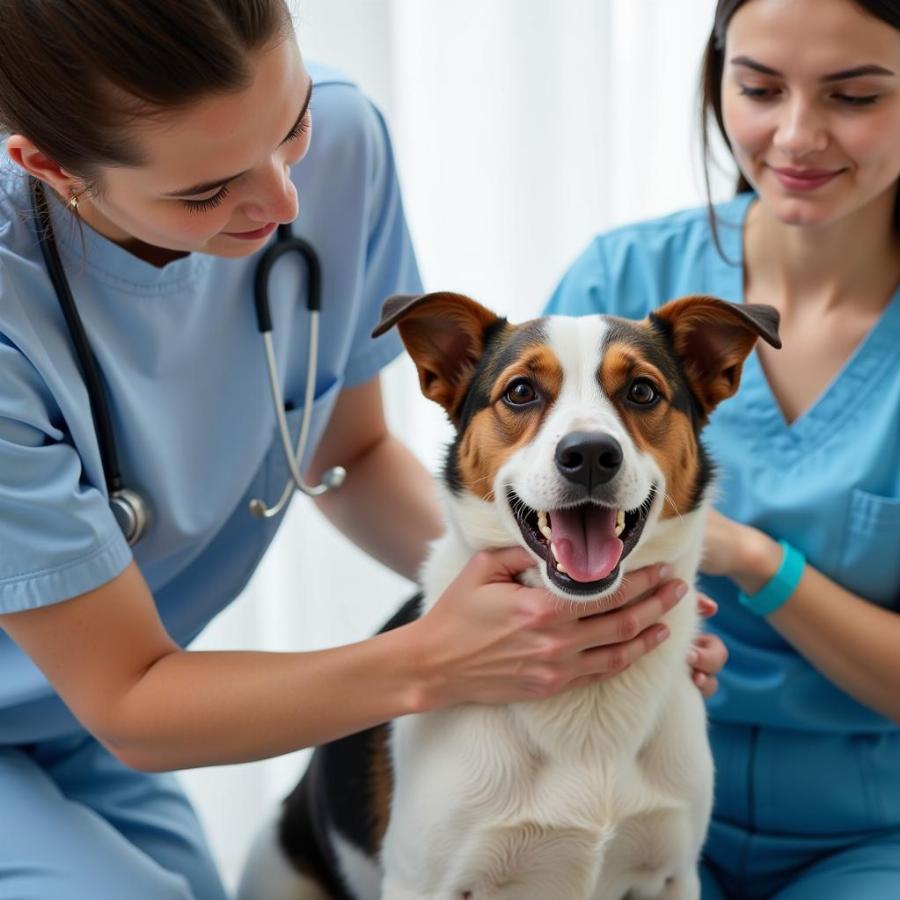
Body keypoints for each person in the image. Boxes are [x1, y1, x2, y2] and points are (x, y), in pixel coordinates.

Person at [0, 2, 727, 897]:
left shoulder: (341, 143)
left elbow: (346, 453)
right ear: (47, 164)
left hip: (100, 717)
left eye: (292, 121)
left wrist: (551, 603)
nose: (284, 201)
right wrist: (440, 653)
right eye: (205, 191)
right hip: (126, 703)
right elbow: (132, 703)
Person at [545, 0, 900, 897]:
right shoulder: (621, 283)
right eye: (757, 87)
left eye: (854, 95)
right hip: (615, 792)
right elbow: (517, 545)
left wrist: (747, 558)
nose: (794, 136)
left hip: (867, 836)